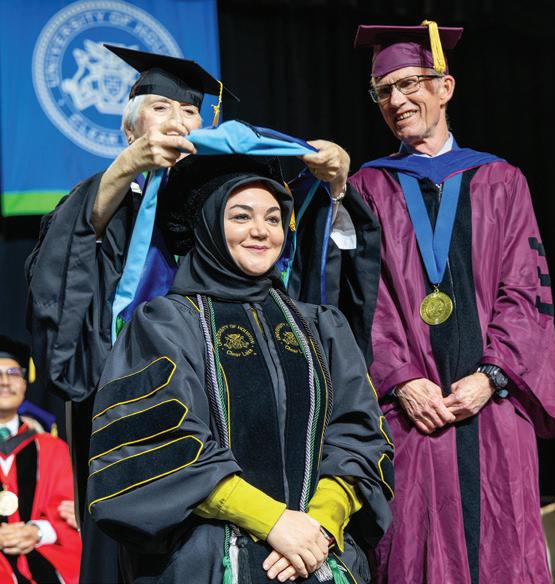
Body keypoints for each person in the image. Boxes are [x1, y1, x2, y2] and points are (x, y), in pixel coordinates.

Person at [25, 46, 349, 582]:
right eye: (161, 108)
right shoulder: (114, 203)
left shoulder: (218, 202)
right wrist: (127, 167)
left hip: (233, 412)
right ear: (130, 129)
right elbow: (64, 281)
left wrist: (330, 187)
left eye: (191, 112)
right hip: (138, 424)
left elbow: (296, 276)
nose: (178, 122)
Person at [300, 21, 555, 584]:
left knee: (501, 547)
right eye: (383, 91)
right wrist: (399, 378)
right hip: (410, 413)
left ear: (445, 87)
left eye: (409, 84)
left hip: (491, 409)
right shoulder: (368, 188)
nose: (397, 100)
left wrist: (492, 376)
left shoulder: (502, 181)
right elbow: (357, 300)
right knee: (412, 554)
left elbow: (525, 291)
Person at [86, 155, 393, 583]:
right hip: (209, 561)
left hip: (315, 558)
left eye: (273, 218)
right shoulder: (166, 325)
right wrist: (273, 521)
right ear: (208, 226)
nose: (261, 231)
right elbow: (160, 448)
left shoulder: (320, 326)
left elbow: (358, 436)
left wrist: (319, 525)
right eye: (241, 216)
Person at [0, 336, 81, 584]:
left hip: (39, 560)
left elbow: (66, 514)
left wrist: (37, 531)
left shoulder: (52, 448)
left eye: (13, 373)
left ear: (25, 383)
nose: (5, 381)